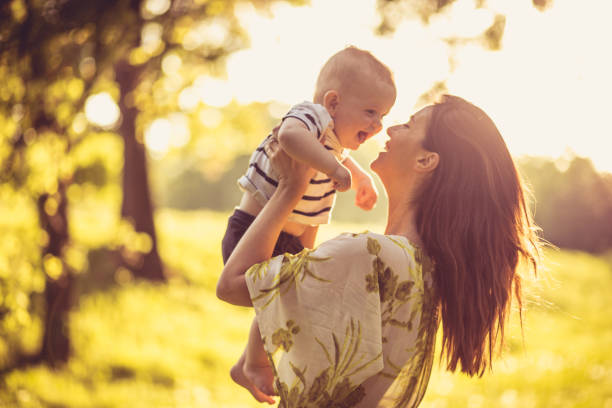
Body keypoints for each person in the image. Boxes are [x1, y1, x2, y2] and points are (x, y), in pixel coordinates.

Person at [217, 95, 540, 407]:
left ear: (426, 160)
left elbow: (232, 285)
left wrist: (290, 188)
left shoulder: (369, 256)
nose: (390, 129)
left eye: (409, 126)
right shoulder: (424, 273)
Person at [220, 47, 396, 403]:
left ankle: (249, 363)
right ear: (332, 102)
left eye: (384, 116)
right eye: (371, 112)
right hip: (254, 229)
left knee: (282, 303)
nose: (378, 125)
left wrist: (361, 178)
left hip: (289, 239)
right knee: (275, 298)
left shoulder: (332, 141)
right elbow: (289, 138)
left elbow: (341, 157)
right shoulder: (310, 115)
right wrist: (335, 170)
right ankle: (254, 364)